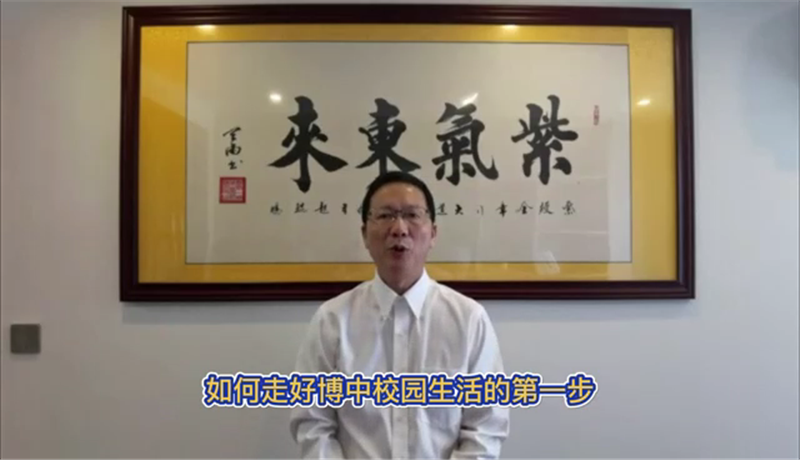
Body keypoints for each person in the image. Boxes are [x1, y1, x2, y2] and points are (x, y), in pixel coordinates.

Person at [289, 171, 509, 459]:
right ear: (365, 234)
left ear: (433, 233)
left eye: (412, 215)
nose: (399, 229)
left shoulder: (469, 320)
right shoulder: (332, 320)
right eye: (385, 216)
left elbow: (485, 427)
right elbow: (312, 423)